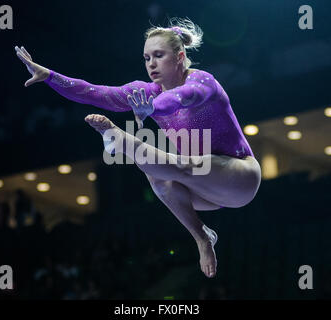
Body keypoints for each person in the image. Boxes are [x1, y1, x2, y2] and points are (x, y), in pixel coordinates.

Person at [15, 17, 261, 278]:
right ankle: (202, 237)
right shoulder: (145, 93)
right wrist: (50, 76)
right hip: (206, 195)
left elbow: (182, 98)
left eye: (158, 55)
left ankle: (120, 139)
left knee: (182, 165)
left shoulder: (202, 82)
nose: (151, 64)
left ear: (179, 56)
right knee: (156, 175)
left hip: (240, 177)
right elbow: (93, 92)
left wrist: (153, 108)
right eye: (146, 58)